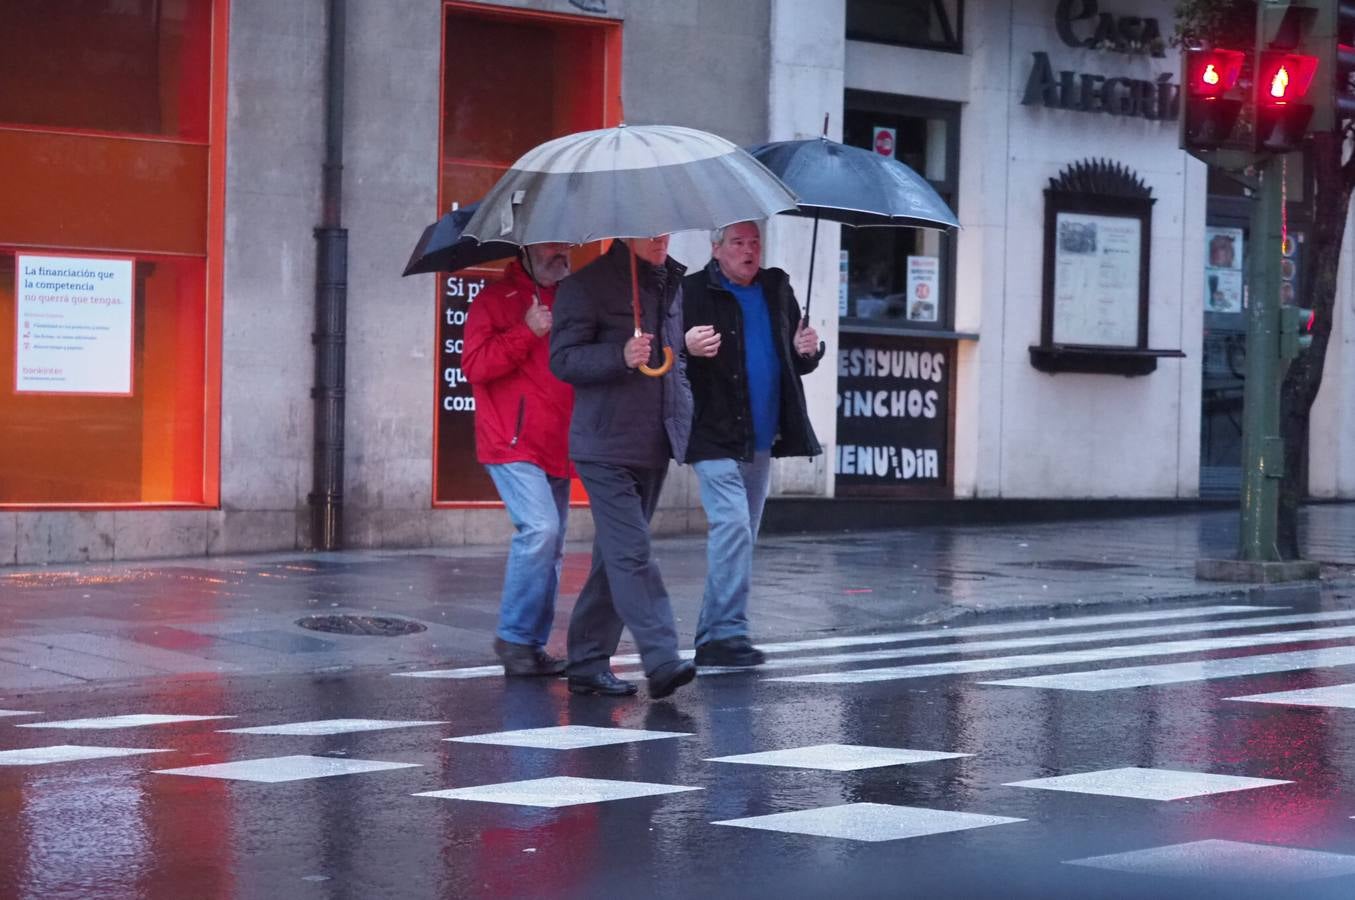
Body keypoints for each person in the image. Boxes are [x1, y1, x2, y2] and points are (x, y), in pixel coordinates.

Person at [549, 236, 697, 700]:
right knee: (632, 552)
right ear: (626, 230)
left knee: (614, 557)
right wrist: (620, 355)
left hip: (654, 441)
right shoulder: (586, 285)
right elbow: (563, 359)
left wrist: (687, 361)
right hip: (604, 443)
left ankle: (588, 662)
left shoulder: (671, 284)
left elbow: (674, 360)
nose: (660, 239)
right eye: (649, 230)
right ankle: (661, 657)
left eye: (665, 230)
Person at [681, 220, 823, 667]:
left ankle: (716, 634)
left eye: (755, 243)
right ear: (716, 247)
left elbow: (795, 362)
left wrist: (807, 351)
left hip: (762, 437)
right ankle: (726, 635)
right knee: (733, 528)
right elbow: (664, 356)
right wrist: (685, 346)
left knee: (743, 535)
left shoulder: (777, 287)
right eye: (739, 243)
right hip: (713, 432)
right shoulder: (691, 291)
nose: (749, 251)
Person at [462, 243, 573, 678]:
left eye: (565, 245)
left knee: (555, 546)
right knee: (541, 530)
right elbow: (474, 366)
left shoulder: (573, 299)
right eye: (550, 245)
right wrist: (527, 330)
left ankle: (529, 644)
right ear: (525, 249)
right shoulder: (493, 300)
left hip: (560, 440)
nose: (561, 253)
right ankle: (513, 636)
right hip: (511, 441)